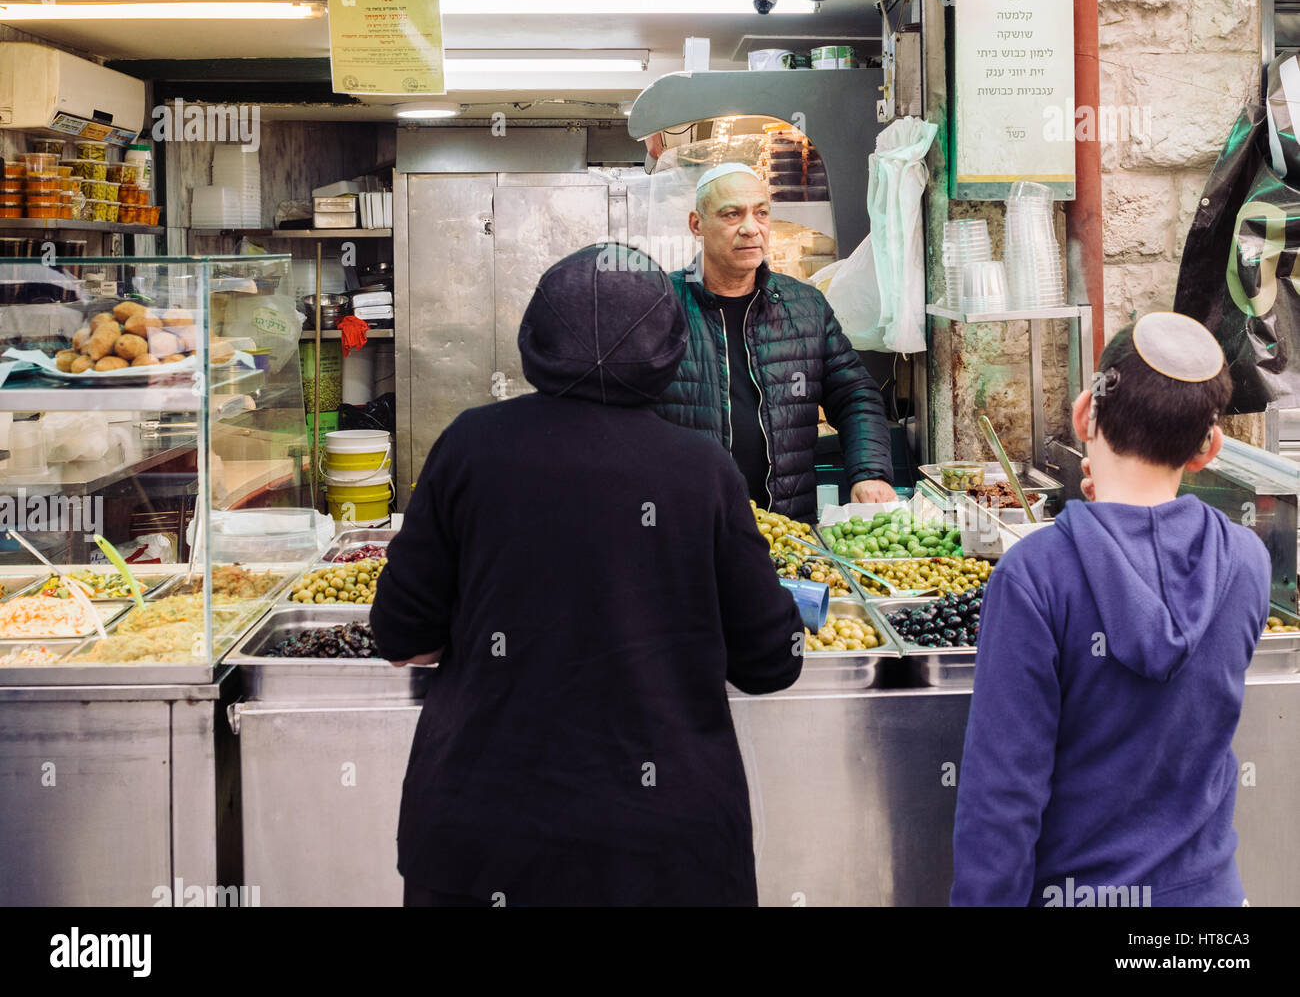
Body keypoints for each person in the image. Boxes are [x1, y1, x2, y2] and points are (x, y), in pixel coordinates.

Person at [370, 243, 804, 907]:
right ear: (669, 350)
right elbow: (769, 661)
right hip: (666, 852)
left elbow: (405, 638)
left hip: (484, 841)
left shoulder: (469, 445)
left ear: (535, 338)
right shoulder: (702, 470)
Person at [950, 312, 1271, 907]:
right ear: (1209, 448)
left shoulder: (1034, 575)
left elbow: (1002, 800)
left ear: (1083, 415)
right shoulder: (1246, 561)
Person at [652, 161, 894, 520]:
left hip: (787, 529)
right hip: (687, 530)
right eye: (732, 214)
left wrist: (870, 471)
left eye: (761, 213)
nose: (751, 229)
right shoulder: (657, 308)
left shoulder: (805, 306)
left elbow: (854, 395)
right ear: (696, 224)